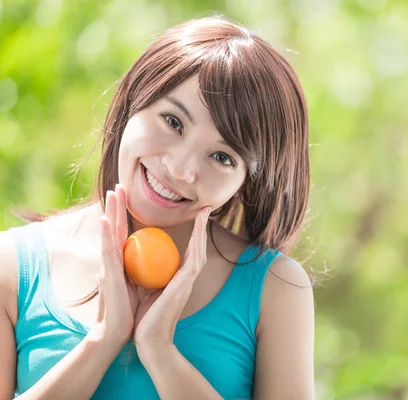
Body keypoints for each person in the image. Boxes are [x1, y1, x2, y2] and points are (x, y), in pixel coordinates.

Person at [0, 16, 315, 399]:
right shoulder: (13, 266)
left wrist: (161, 353)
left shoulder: (275, 289)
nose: (181, 170)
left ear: (247, 181)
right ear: (134, 99)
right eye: (173, 121)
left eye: (222, 156)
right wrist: (101, 342)